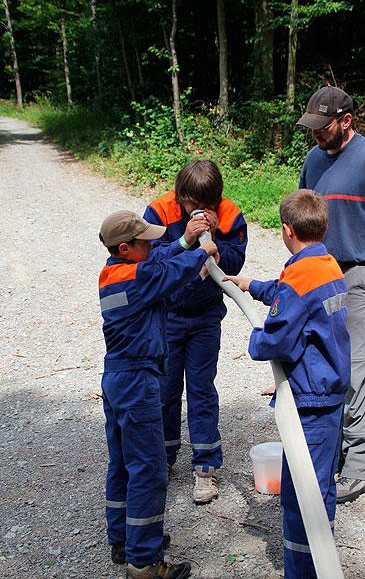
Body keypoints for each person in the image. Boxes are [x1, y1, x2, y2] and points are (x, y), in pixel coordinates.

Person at [225, 189, 350, 578]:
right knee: (321, 486)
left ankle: (303, 570)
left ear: (286, 230)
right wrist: (251, 285)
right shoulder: (327, 265)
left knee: (301, 497)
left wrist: (255, 339)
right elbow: (289, 294)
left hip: (309, 403)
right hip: (331, 396)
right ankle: (322, 560)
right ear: (323, 227)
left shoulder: (300, 277)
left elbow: (276, 339)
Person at [98, 210, 217, 579]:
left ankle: (123, 540)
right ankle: (145, 562)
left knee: (123, 464)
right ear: (125, 248)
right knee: (149, 470)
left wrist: (184, 242)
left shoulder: (113, 273)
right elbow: (166, 271)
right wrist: (201, 251)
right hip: (137, 382)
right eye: (144, 242)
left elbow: (158, 264)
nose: (151, 245)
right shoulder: (138, 278)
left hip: (117, 378)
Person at [297, 85, 365, 503]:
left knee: (359, 368)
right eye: (313, 127)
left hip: (361, 275)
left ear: (346, 121)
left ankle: (360, 468)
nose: (317, 134)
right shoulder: (313, 159)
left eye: (323, 127)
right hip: (321, 273)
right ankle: (334, 451)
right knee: (325, 363)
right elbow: (302, 219)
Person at [143, 159, 247, 503]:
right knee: (166, 390)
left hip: (205, 317)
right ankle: (163, 458)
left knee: (202, 390)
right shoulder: (159, 210)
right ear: (180, 196)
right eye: (191, 204)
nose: (198, 210)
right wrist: (185, 240)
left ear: (216, 200)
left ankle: (205, 466)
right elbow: (148, 261)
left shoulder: (230, 214)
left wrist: (214, 237)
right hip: (168, 316)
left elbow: (235, 262)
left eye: (206, 205)